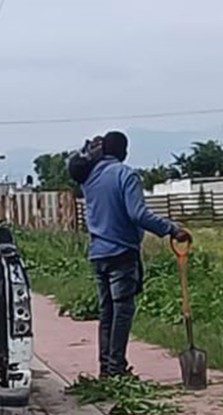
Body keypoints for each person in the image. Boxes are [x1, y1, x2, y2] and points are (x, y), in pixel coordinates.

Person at [79, 131, 191, 377]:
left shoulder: (89, 178)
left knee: (106, 312)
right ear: (124, 151)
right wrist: (171, 229)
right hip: (122, 252)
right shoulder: (126, 175)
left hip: (98, 253)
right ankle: (117, 367)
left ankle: (106, 369)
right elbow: (138, 214)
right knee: (122, 311)